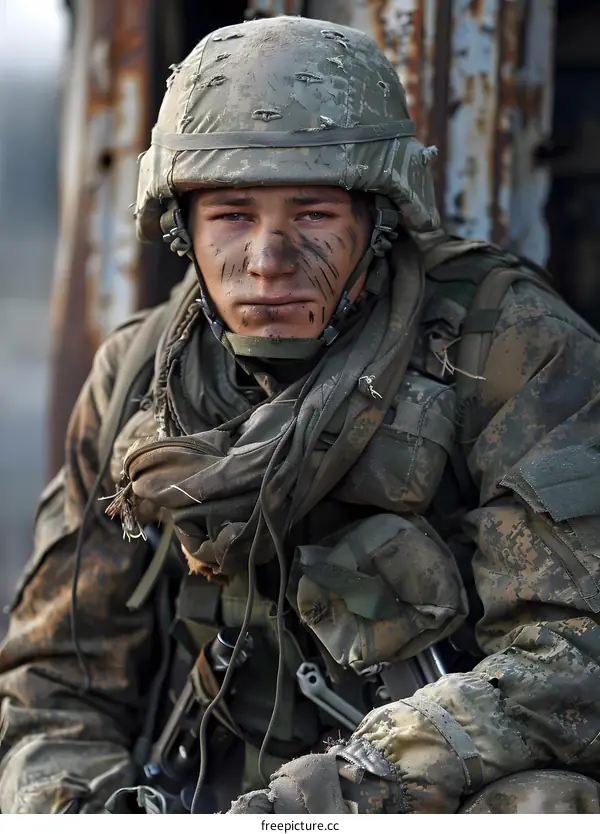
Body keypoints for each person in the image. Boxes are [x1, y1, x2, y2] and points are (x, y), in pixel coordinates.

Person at [1, 15, 600, 816]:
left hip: (418, 801)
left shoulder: (510, 349)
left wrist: (346, 790)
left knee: (549, 808)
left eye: (313, 215)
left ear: (378, 224)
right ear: (184, 231)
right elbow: (53, 680)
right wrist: (79, 812)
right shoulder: (138, 375)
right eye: (233, 216)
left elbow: (573, 655)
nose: (268, 260)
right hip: (194, 797)